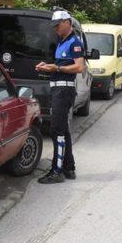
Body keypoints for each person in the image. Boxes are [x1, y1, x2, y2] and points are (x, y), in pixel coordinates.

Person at [35, 10, 86, 184]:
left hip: (64, 91)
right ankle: (69, 168)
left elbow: (79, 67)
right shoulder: (61, 42)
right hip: (58, 90)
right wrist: (47, 66)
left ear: (66, 22)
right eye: (54, 25)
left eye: (57, 25)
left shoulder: (75, 42)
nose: (55, 28)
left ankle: (57, 171)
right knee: (63, 130)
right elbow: (61, 65)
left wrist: (55, 69)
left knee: (56, 130)